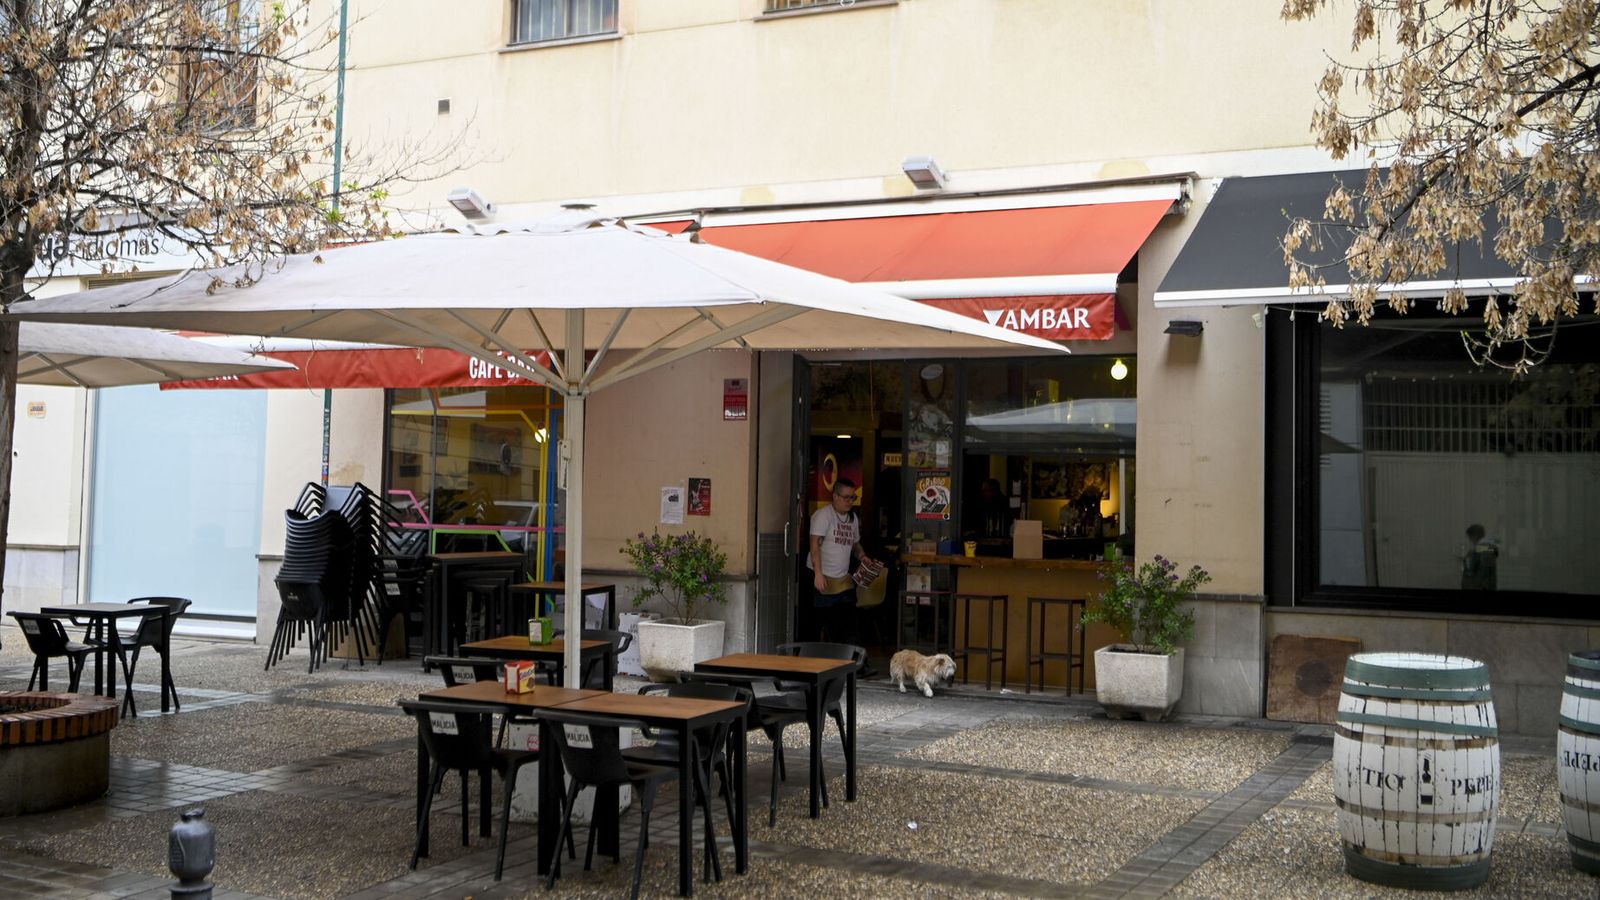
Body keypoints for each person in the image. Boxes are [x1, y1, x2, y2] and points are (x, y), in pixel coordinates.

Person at [809, 478, 876, 650]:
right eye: (846, 497)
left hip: (843, 579)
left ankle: (850, 657)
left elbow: (855, 544)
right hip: (823, 577)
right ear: (835, 496)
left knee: (848, 623)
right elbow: (815, 545)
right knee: (822, 623)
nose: (850, 501)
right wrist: (818, 573)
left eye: (853, 497)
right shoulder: (823, 516)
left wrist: (862, 556)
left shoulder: (853, 519)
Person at [1461, 523, 1499, 591]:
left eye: (1470, 537)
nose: (1470, 540)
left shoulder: (1477, 552)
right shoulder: (1488, 548)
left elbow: (1473, 573)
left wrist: (1465, 561)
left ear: (1474, 536)